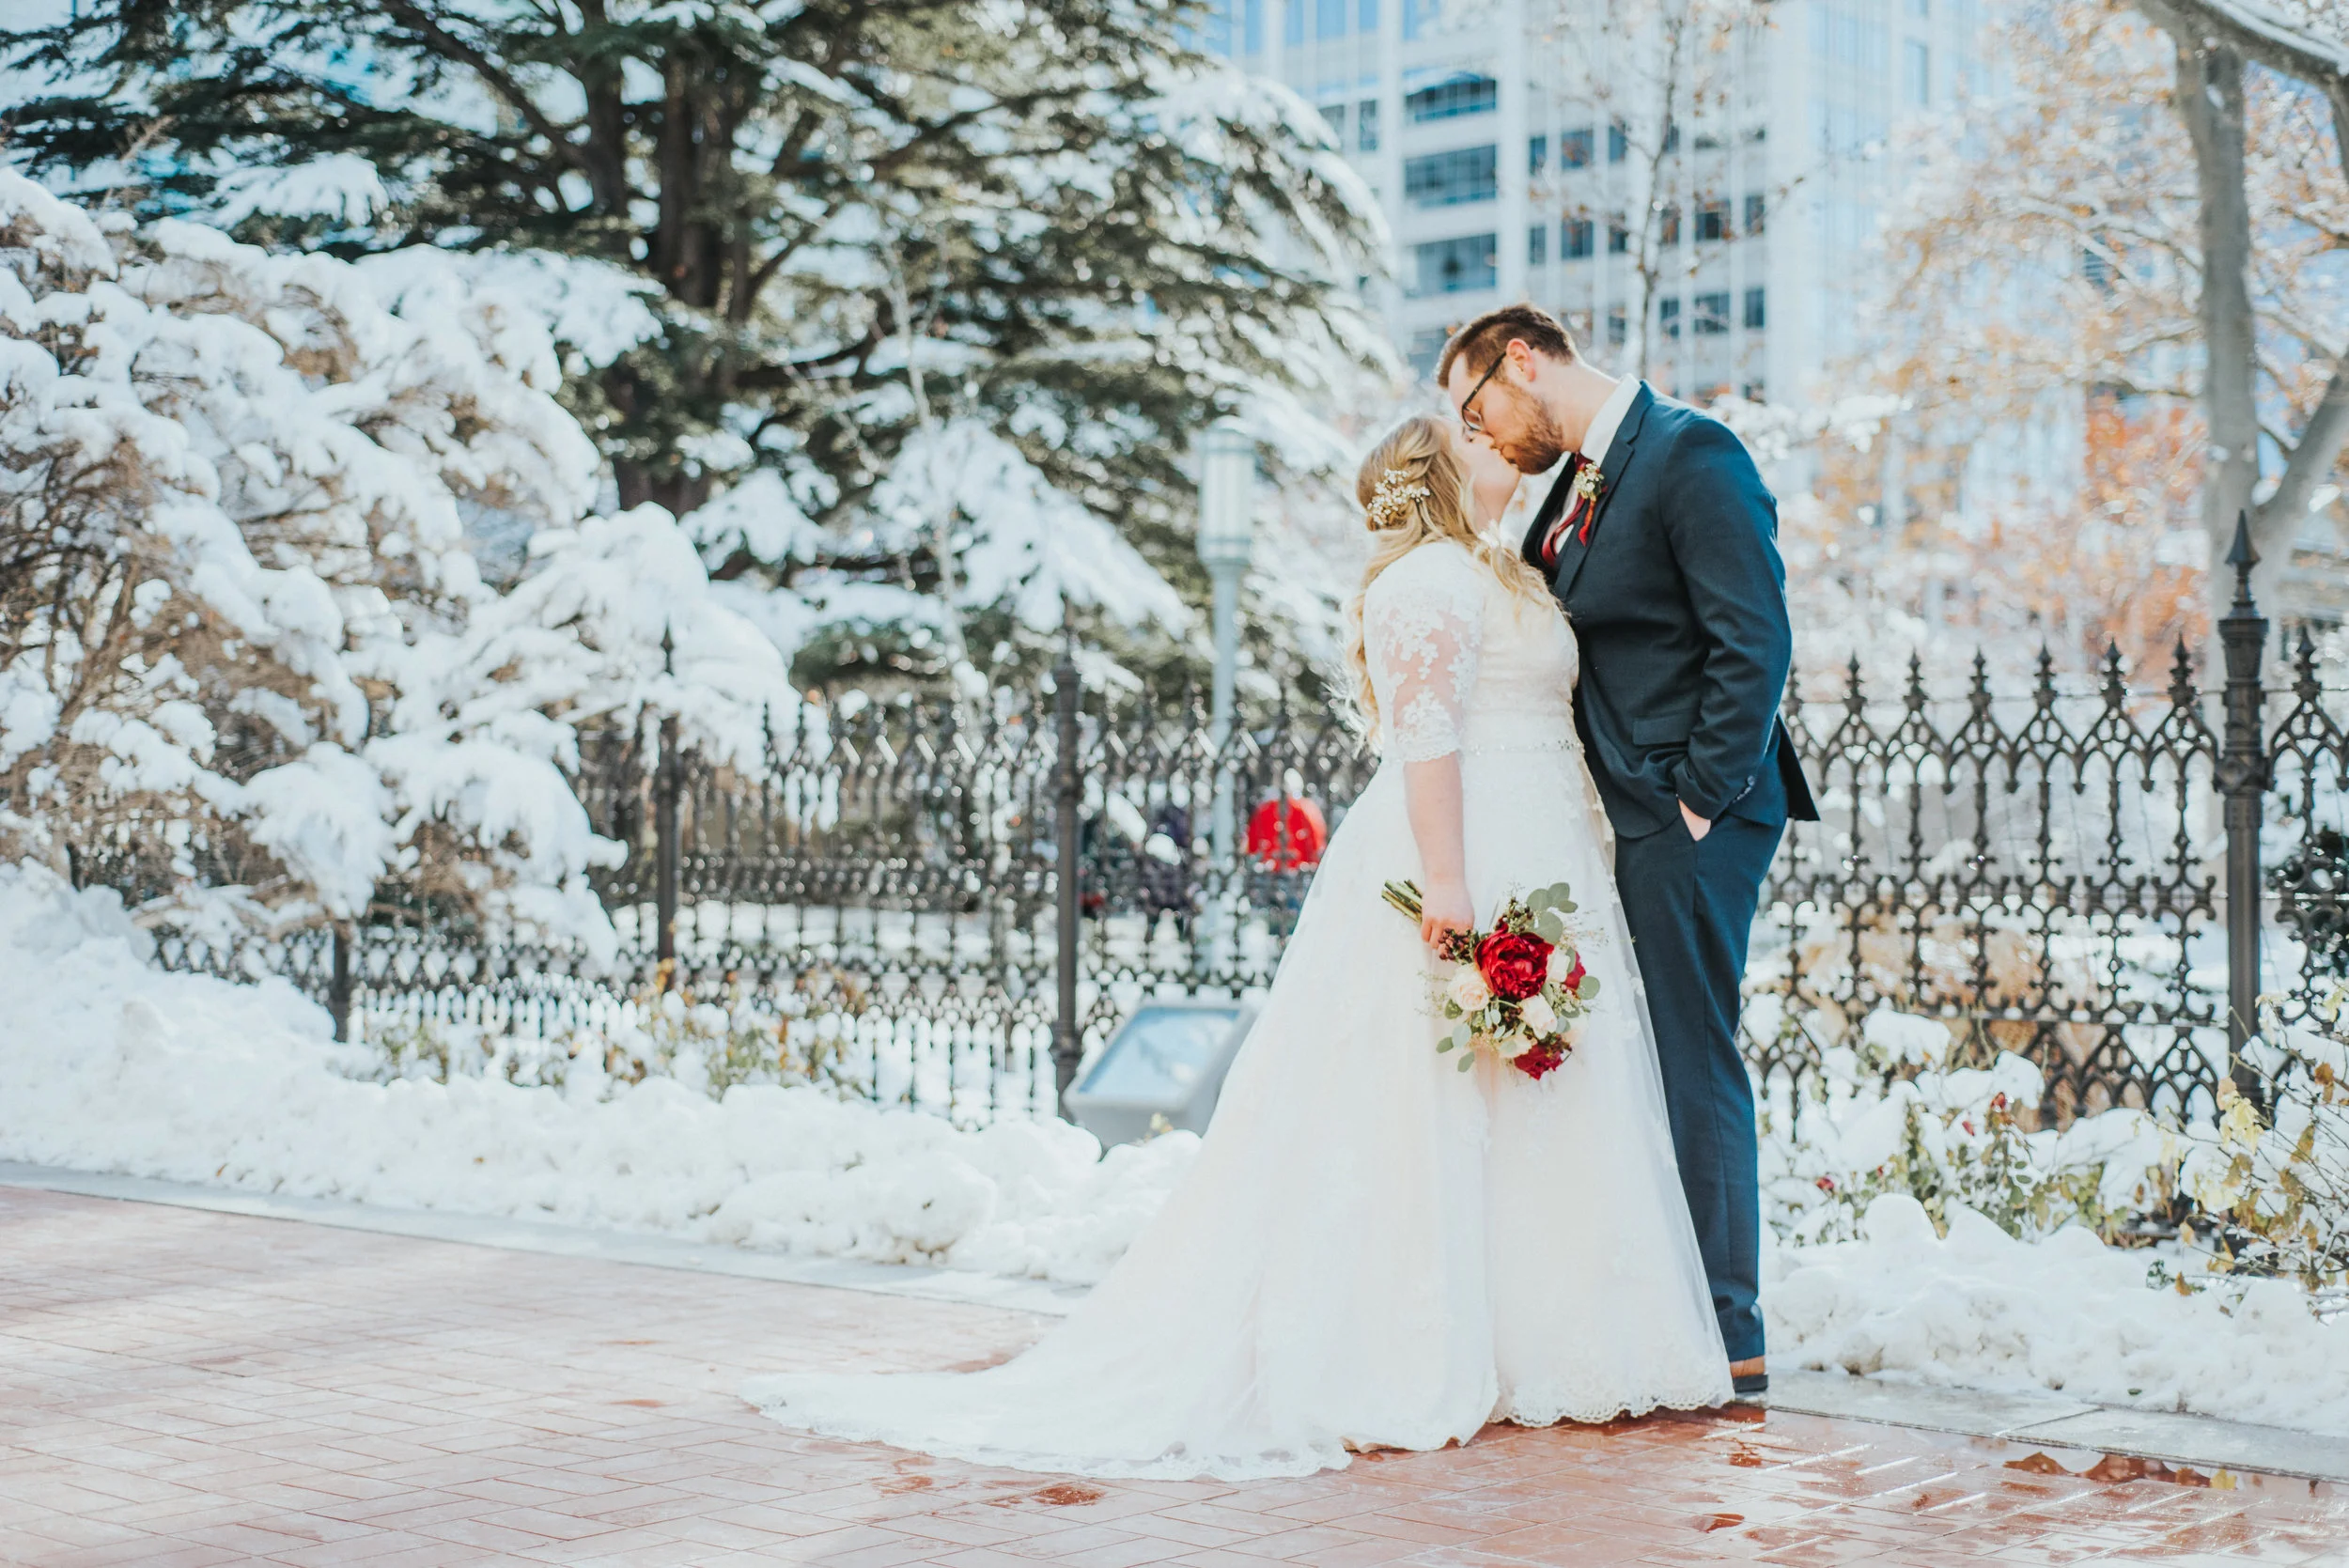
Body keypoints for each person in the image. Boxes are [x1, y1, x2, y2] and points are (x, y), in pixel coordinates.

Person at [741, 415, 1732, 1479]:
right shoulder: (1427, 583)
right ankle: (1416, 1332)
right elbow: (1430, 741)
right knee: (1433, 1102)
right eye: (1471, 435)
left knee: (1536, 1103)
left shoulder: (1505, 570)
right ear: (1443, 473)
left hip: (1541, 847)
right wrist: (1449, 886)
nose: (1496, 441)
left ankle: (1540, 1337)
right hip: (1466, 852)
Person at [1437, 304, 1818, 1397]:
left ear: (1522, 360)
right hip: (1621, 815)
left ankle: (1728, 1330)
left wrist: (1698, 795)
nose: (1482, 432)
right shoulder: (1572, 487)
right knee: (1647, 1058)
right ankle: (1668, 1306)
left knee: (1695, 1053)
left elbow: (1755, 635)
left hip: (1691, 814)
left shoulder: (1693, 451)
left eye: (1477, 407)